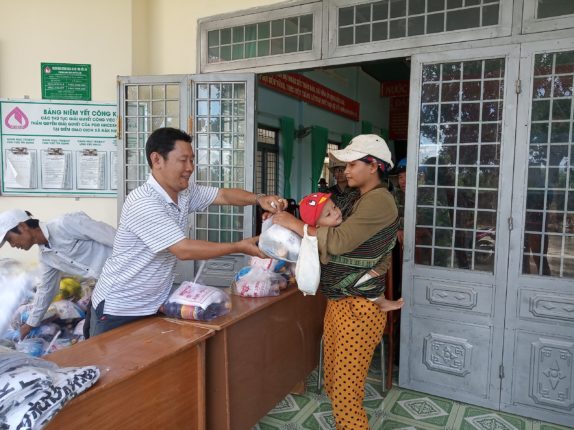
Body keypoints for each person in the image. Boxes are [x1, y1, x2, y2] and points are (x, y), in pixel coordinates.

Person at [90, 127, 287, 337]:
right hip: (119, 308)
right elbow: (183, 249)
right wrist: (239, 246)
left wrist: (259, 199)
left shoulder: (184, 192)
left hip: (153, 304)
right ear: (157, 160)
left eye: (192, 160)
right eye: (183, 160)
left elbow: (223, 195)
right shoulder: (143, 202)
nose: (190, 168)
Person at [272, 134, 404, 429]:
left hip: (358, 308)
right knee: (334, 381)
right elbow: (325, 221)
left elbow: (338, 242)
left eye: (352, 164)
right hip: (342, 302)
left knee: (346, 394)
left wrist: (293, 223)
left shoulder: (379, 201)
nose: (346, 171)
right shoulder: (360, 198)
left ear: (374, 166)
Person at [0, 209, 116, 339]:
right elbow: (46, 290)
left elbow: (114, 237)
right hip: (107, 286)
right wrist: (29, 325)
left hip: (126, 275)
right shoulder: (46, 257)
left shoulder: (66, 224)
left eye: (10, 239)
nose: (13, 245)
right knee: (89, 330)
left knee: (103, 331)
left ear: (22, 226)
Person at [298, 191, 404, 312]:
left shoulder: (344, 225)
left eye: (334, 207)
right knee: (367, 281)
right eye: (328, 214)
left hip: (354, 296)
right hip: (338, 282)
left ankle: (379, 299)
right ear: (317, 226)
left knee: (372, 274)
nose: (335, 212)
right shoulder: (320, 238)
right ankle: (380, 301)